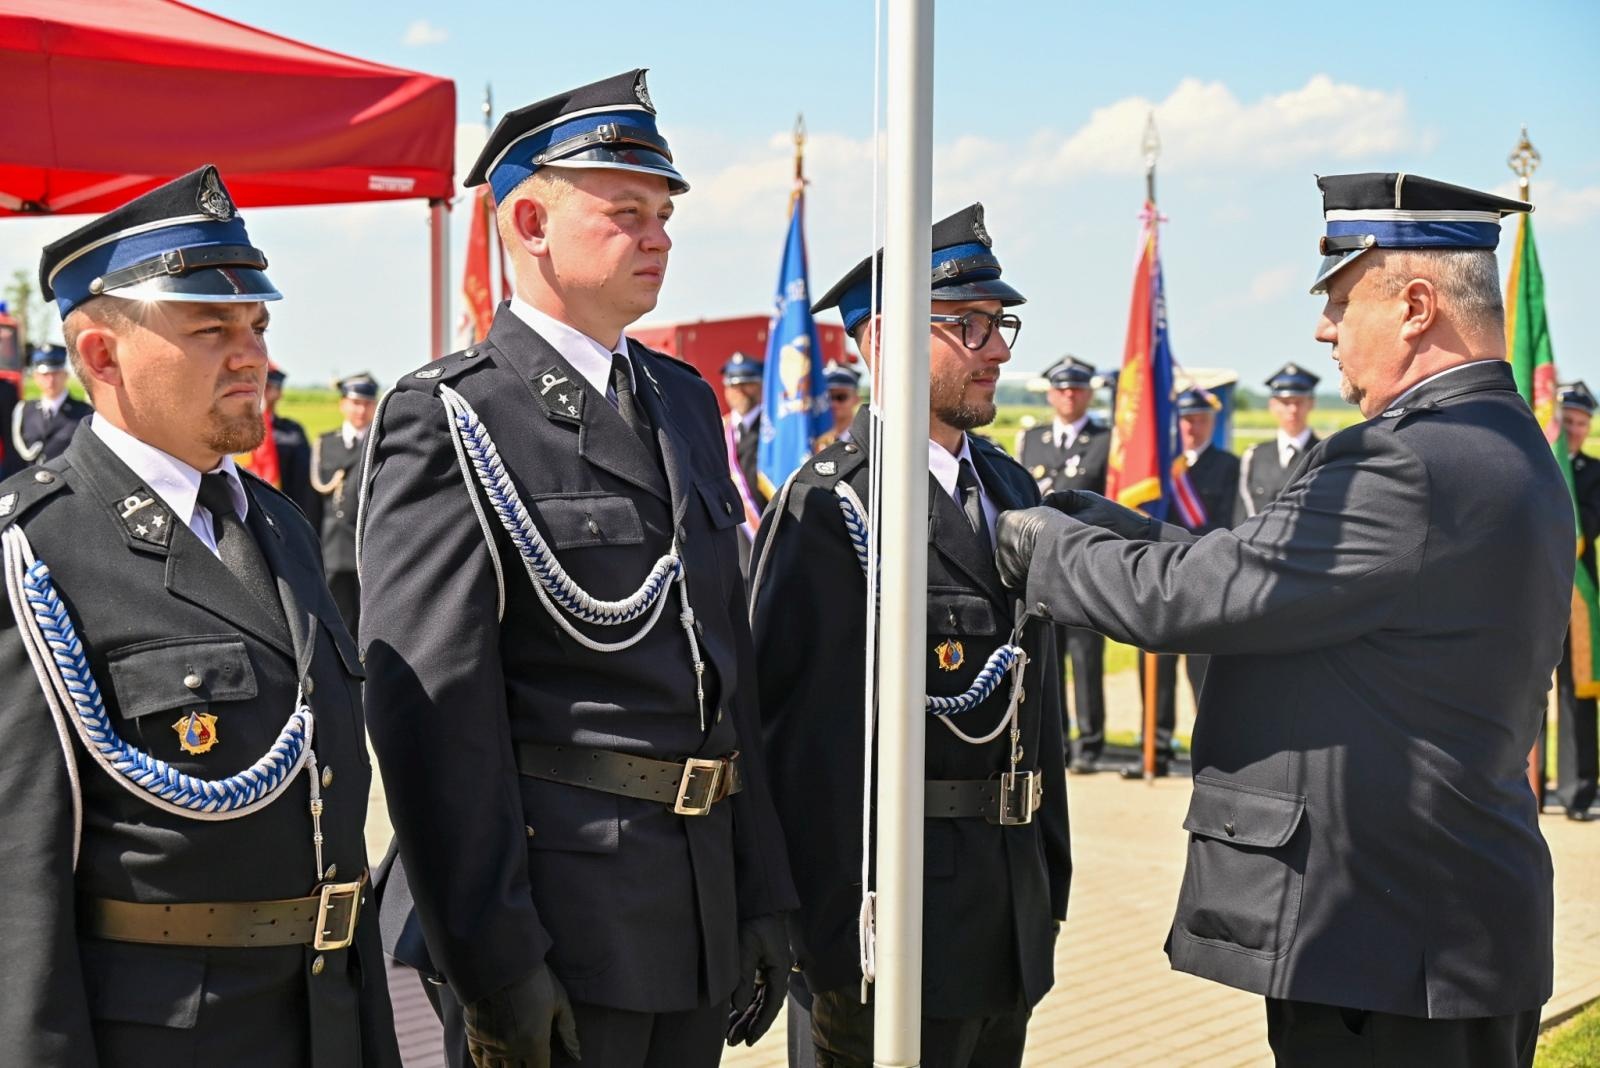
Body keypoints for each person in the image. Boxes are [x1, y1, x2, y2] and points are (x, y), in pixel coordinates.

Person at [996, 172, 1565, 1067]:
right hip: (1441, 935)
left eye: (1340, 299)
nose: (1324, 328)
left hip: (1382, 951)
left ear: (1416, 307)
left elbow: (1204, 595)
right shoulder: (1501, 442)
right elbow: (1274, 573)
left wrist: (1044, 549)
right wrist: (1114, 527)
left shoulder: (1404, 464)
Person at [359, 69, 797, 1068]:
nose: (659, 237)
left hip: (693, 906)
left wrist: (762, 890)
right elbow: (432, 718)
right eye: (627, 212)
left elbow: (727, 673)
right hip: (559, 916)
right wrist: (492, 960)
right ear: (530, 222)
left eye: (664, 215)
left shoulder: (683, 400)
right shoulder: (455, 415)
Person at [0, 165, 398, 1066]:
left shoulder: (279, 527)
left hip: (328, 1020)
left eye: (257, 325)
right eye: (211, 329)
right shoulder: (37, 552)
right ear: (102, 356)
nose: (251, 354)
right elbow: (18, 895)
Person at [753, 203, 1070, 1068]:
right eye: (969, 326)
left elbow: (1036, 709)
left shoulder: (1010, 487)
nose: (998, 350)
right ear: (886, 339)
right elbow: (792, 746)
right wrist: (822, 947)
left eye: (1000, 324)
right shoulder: (831, 505)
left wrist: (1048, 879)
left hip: (1004, 912)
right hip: (887, 922)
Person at [1125, 385, 1240, 779]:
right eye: (1187, 420)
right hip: (1160, 577)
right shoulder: (1160, 468)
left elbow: (1231, 523)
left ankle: (1210, 756)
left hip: (1205, 579)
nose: (1193, 427)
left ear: (1212, 422)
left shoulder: (1228, 466)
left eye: (1200, 419)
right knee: (1156, 670)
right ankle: (1155, 749)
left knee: (1204, 676)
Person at [1019, 356, 1109, 772]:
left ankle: (1090, 744)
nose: (1069, 395)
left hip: (1088, 564)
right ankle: (1057, 740)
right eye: (1062, 389)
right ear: (1051, 395)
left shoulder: (1106, 439)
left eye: (1077, 389)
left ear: (1088, 394)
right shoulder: (1031, 439)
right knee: (1045, 659)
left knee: (1086, 659)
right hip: (1043, 564)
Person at [1558, 380, 1600, 822]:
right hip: (1533, 590)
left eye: (1580, 423)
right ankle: (1528, 788)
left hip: (1579, 595)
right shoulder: (1535, 463)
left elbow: (1589, 525)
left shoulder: (1594, 472)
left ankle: (1578, 792)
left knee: (1577, 695)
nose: (1573, 430)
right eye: (1567, 421)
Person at [311, 373, 376, 640]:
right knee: (333, 621)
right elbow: (311, 501)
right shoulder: (325, 444)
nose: (361, 410)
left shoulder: (379, 444)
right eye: (355, 402)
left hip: (367, 547)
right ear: (343, 404)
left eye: (367, 403)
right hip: (331, 546)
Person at [1235, 362, 1319, 523]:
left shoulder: (1323, 454)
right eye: (1285, 402)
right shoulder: (1254, 457)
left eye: (1299, 402)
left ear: (1311, 403)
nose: (1293, 410)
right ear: (1272, 405)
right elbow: (1241, 516)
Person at [11, 344, 92, 465]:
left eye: (55, 373)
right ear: (36, 377)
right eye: (45, 375)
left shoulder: (85, 412)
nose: (50, 380)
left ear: (65, 375)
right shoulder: (25, 410)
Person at [259, 364, 321, 523]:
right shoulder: (230, 431)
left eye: (268, 387)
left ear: (279, 392)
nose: (262, 392)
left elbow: (304, 487)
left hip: (282, 515)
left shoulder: (292, 432)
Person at [813, 362, 862, 450]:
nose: (834, 403)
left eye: (841, 397)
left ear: (856, 399)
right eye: (827, 398)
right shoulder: (808, 440)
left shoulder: (865, 439)